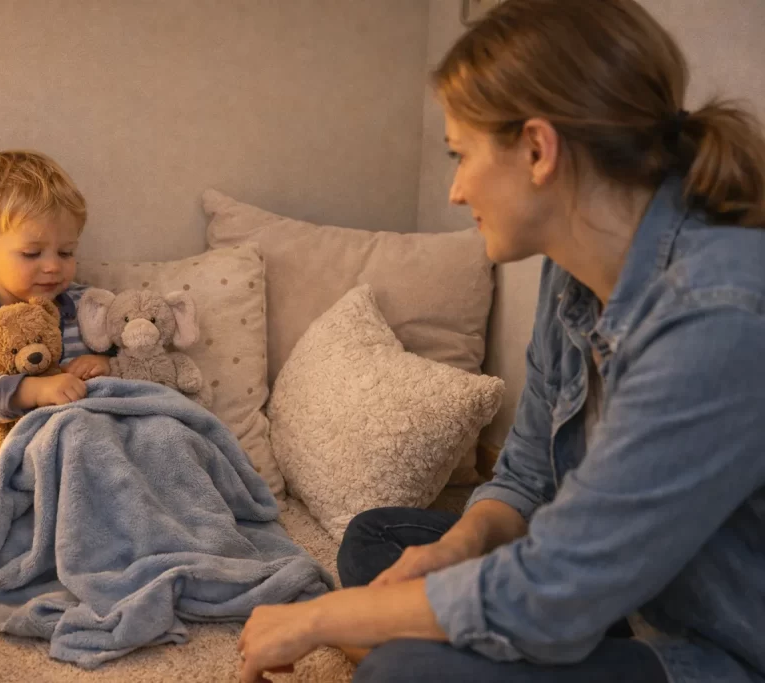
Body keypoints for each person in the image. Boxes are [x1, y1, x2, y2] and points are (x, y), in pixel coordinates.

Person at [237, 1, 765, 681]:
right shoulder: (572, 272)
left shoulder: (716, 314)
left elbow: (555, 588)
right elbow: (525, 476)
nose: (455, 190)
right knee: (382, 540)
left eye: (461, 155)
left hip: (717, 645)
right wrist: (459, 546)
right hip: (616, 589)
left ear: (538, 150)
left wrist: (316, 618)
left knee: (404, 667)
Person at [0, 150, 114, 603]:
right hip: (2, 469)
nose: (54, 266)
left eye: (66, 251)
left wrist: (103, 367)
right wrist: (31, 390)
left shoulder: (83, 306)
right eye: (33, 252)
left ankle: (108, 556)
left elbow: (122, 374)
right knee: (23, 522)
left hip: (84, 456)